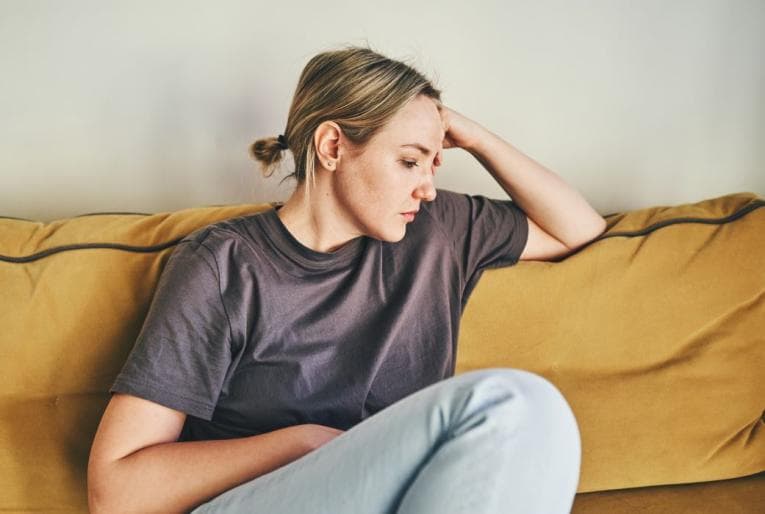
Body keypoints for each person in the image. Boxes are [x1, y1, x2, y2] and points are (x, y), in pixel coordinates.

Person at [88, 43, 604, 513]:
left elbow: (578, 228)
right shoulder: (224, 265)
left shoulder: (436, 230)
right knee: (510, 403)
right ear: (332, 147)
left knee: (544, 420)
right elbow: (117, 491)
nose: (426, 188)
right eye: (408, 161)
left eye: (435, 165)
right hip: (256, 502)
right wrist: (302, 442)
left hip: (392, 497)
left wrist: (474, 134)